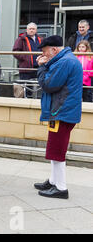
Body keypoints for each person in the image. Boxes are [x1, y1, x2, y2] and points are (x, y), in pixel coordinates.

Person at [34, 35, 83, 199]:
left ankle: (61, 188)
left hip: (61, 111)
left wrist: (41, 67)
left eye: (45, 52)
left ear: (54, 50)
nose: (43, 55)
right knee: (55, 148)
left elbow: (49, 85)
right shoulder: (65, 59)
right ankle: (54, 181)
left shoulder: (64, 62)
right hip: (61, 111)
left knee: (58, 151)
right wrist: (46, 64)